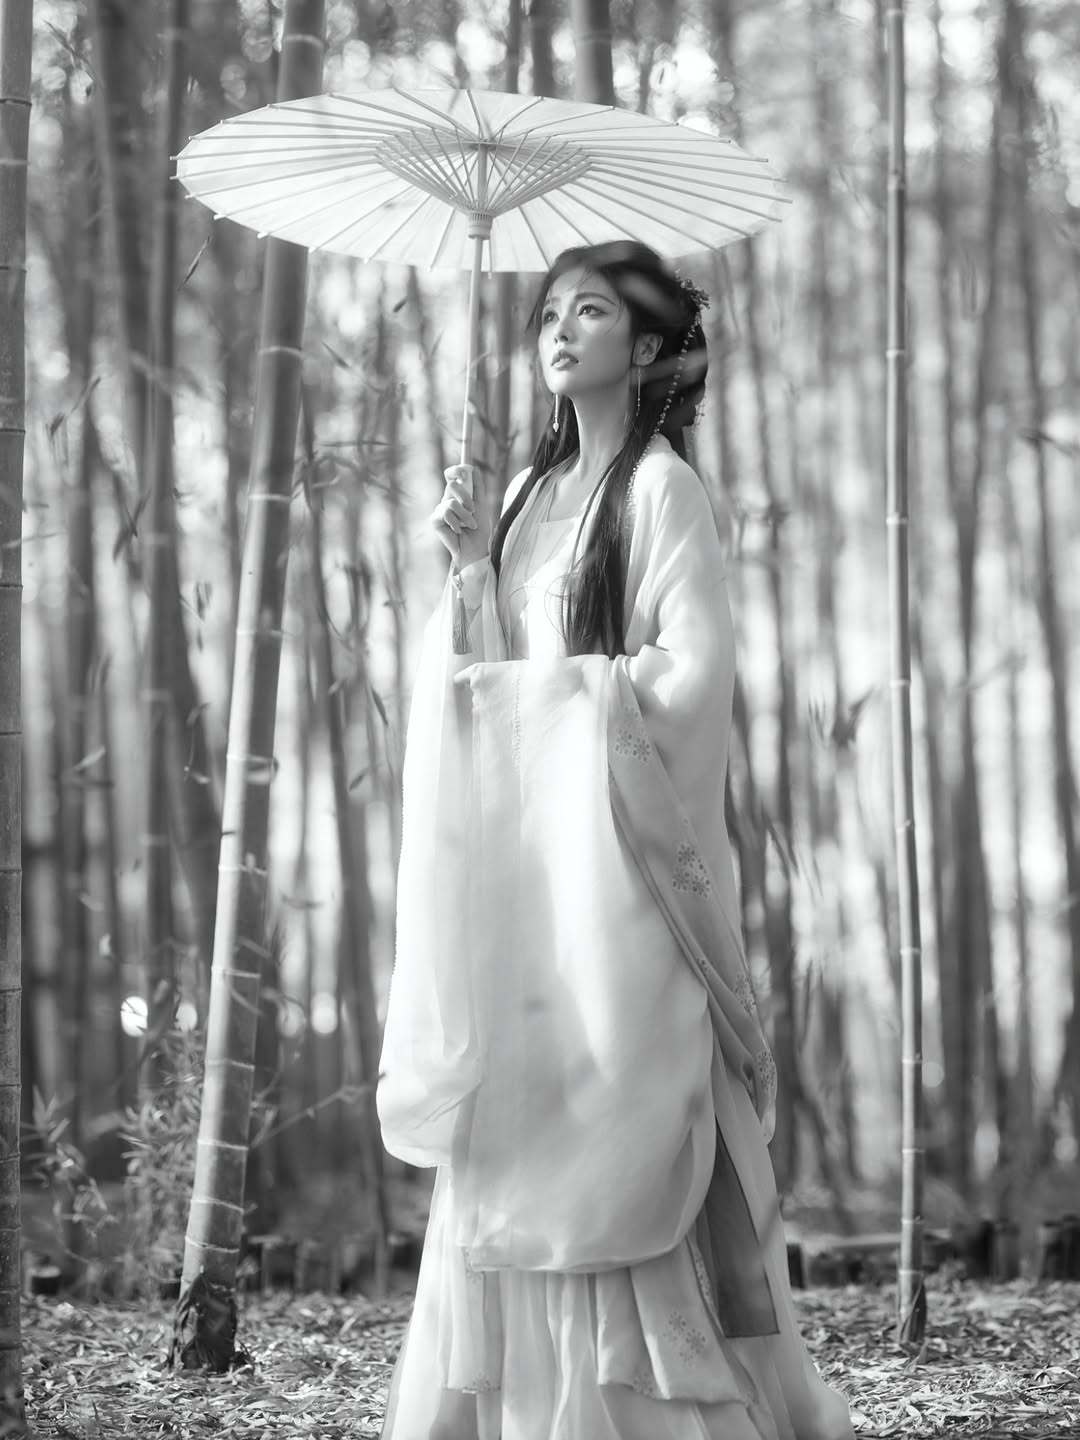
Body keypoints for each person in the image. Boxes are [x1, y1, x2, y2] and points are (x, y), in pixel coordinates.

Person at [376, 240, 856, 1440]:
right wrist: (470, 569)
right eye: (549, 311)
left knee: (621, 1113)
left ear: (645, 349)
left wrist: (565, 697)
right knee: (519, 1107)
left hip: (621, 880)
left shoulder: (661, 493)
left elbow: (690, 683)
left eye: (589, 311)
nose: (559, 328)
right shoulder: (524, 498)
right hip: (528, 879)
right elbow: (483, 685)